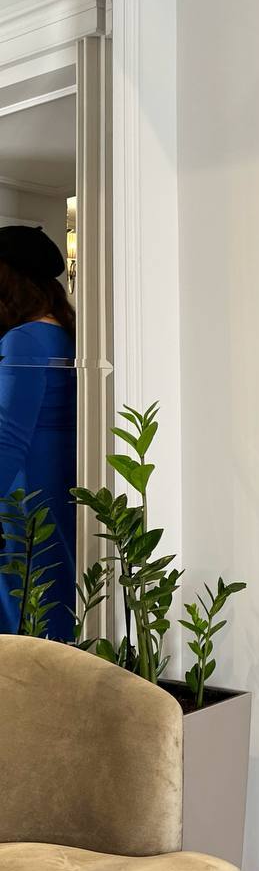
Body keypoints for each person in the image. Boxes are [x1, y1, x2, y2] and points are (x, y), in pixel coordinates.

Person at [0, 225, 77, 641]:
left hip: (24, 485)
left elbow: (9, 435)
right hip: (56, 481)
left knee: (24, 600)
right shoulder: (62, 333)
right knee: (53, 595)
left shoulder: (24, 339)